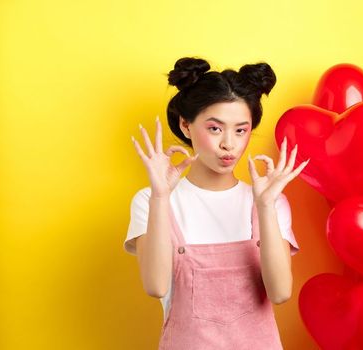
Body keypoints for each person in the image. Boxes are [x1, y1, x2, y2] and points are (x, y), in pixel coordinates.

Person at [125, 57, 310, 349]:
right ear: (185, 125)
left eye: (241, 130)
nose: (229, 144)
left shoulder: (270, 201)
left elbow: (280, 292)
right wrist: (161, 198)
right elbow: (156, 285)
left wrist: (265, 207)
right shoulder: (150, 201)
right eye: (215, 129)